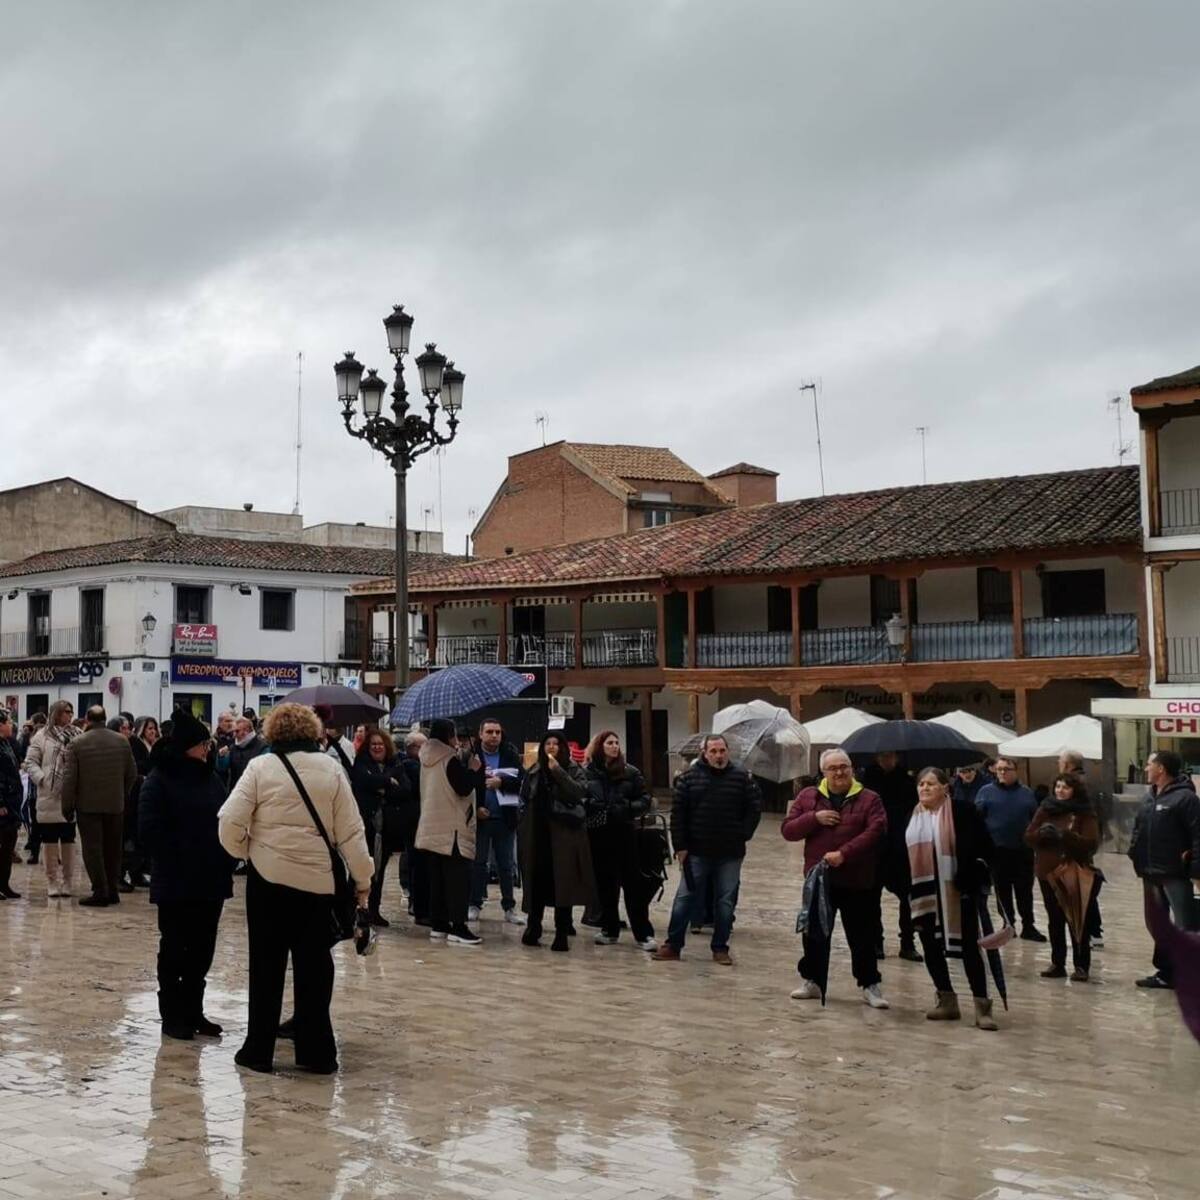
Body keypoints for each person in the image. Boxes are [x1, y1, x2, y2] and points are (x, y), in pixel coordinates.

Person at [218, 703, 372, 1074]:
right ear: (312, 732)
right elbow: (352, 832)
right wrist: (363, 881)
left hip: (268, 883)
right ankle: (317, 1053)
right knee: (315, 967)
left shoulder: (260, 767)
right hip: (317, 885)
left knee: (266, 967)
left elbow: (228, 823)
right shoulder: (332, 770)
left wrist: (249, 853)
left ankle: (258, 1050)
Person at [139, 708, 235, 1040]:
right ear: (186, 747)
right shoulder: (159, 779)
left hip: (211, 879)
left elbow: (227, 818)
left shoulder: (211, 778)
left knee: (202, 949)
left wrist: (226, 856)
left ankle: (194, 1010)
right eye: (202, 745)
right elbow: (149, 829)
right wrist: (182, 851)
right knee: (175, 947)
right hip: (177, 879)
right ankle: (173, 1014)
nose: (208, 750)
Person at [782, 747, 889, 1006]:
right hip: (819, 880)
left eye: (844, 766)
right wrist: (814, 818)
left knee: (862, 934)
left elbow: (876, 831)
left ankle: (869, 984)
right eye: (833, 768)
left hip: (857, 878)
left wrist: (844, 853)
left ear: (852, 768)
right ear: (823, 771)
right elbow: (788, 830)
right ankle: (813, 981)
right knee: (815, 932)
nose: (839, 772)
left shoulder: (869, 798)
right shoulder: (809, 796)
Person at [654, 733, 761, 966]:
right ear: (705, 753)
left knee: (725, 901)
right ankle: (673, 945)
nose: (718, 755)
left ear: (727, 752)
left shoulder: (742, 778)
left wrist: (742, 834)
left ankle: (720, 947)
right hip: (696, 851)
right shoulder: (688, 779)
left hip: (730, 852)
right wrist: (680, 847)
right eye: (713, 751)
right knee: (684, 898)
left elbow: (753, 810)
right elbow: (678, 816)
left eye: (722, 751)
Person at [906, 767, 998, 1030]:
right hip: (923, 894)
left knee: (970, 946)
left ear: (945, 787)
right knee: (930, 946)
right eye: (921, 784)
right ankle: (946, 1000)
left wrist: (972, 876)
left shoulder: (964, 812)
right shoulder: (911, 817)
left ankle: (982, 1007)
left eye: (931, 784)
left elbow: (986, 849)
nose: (924, 788)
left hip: (959, 892)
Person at [1128, 749, 1200, 990]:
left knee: (1184, 924)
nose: (1146, 768)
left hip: (1174, 873)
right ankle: (1166, 972)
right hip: (1150, 872)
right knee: (1156, 924)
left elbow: (1198, 836)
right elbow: (1138, 829)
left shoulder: (1186, 799)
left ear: (1161, 769)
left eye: (1150, 764)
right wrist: (1133, 853)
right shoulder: (1149, 797)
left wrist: (1196, 870)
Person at [518, 733, 596, 952]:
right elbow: (524, 797)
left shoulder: (572, 768)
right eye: (548, 744)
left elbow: (578, 792)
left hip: (564, 837)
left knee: (563, 883)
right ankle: (534, 927)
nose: (552, 748)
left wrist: (558, 772)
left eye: (556, 744)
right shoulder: (534, 771)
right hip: (538, 836)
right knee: (537, 883)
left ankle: (562, 932)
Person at [584, 730, 656, 950]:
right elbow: (580, 795)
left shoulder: (630, 772)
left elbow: (645, 798)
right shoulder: (589, 772)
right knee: (606, 884)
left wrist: (626, 809)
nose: (614, 746)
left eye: (616, 743)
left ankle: (643, 933)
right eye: (609, 743)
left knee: (633, 884)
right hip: (599, 833)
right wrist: (590, 804)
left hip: (624, 832)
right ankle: (609, 928)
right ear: (600, 746)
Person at [1026, 772, 1100, 982]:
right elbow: (1028, 835)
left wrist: (1065, 836)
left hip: (1072, 872)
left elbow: (1091, 843)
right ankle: (1057, 963)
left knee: (1077, 920)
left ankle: (1081, 965)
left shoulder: (1084, 812)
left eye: (1065, 787)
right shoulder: (1045, 808)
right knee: (1054, 919)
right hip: (1047, 872)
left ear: (1074, 790)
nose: (1060, 791)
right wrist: (1042, 834)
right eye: (1057, 786)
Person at [61, 705, 138, 907]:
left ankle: (100, 890)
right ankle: (113, 889)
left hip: (88, 806)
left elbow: (70, 779)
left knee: (93, 850)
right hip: (115, 805)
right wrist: (122, 794)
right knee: (113, 849)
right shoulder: (122, 741)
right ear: (105, 718)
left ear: (87, 719)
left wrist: (67, 806)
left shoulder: (76, 744)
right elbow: (132, 774)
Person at [416, 718, 483, 946]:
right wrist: (474, 770)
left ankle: (439, 925)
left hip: (432, 825)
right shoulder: (448, 759)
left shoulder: (427, 758)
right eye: (454, 735)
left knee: (438, 880)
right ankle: (458, 926)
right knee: (457, 880)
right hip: (452, 829)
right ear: (448, 735)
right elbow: (463, 788)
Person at [974, 757, 1045, 941]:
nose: (1003, 773)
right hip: (998, 851)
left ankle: (1028, 925)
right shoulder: (985, 792)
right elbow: (977, 820)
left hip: (1023, 851)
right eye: (999, 769)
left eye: (1007, 769)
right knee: (1002, 889)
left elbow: (1035, 819)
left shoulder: (1027, 793)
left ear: (1016, 771)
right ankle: (1008, 924)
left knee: (1024, 890)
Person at [861, 751, 922, 962]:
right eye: (882, 757)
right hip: (875, 847)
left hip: (902, 847)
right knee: (871, 897)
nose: (886, 760)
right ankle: (876, 942)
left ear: (897, 758)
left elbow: (916, 812)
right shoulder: (866, 782)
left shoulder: (907, 782)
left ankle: (907, 942)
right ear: (876, 758)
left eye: (891, 757)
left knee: (907, 897)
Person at [351, 728, 414, 926]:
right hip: (366, 826)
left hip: (386, 829)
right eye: (373, 744)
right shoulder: (361, 764)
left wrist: (381, 790)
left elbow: (405, 790)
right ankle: (358, 909)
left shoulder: (395, 764)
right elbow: (363, 782)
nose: (377, 747)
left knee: (379, 871)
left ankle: (374, 910)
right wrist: (387, 781)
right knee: (363, 870)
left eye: (380, 744)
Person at [468, 717, 525, 924]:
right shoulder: (472, 756)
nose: (494, 736)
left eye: (497, 732)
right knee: (478, 863)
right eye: (490, 732)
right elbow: (463, 785)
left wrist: (501, 781)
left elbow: (521, 781)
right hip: (481, 818)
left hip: (505, 818)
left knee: (506, 865)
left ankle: (509, 907)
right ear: (480, 734)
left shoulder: (510, 754)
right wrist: (475, 809)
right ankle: (474, 903)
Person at [402, 731, 430, 924]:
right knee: (417, 863)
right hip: (415, 820)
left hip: (420, 819)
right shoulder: (411, 766)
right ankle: (417, 903)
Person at [0, 709, 22, 899]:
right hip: (3, 803)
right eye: (7, 722)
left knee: (8, 846)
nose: (11, 725)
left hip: (12, 801)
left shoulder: (6, 744)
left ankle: (3, 883)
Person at [227, 715, 266, 791]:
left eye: (237, 731)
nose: (234, 735)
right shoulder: (233, 748)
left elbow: (265, 773)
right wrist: (222, 757)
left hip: (256, 791)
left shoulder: (263, 748)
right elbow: (222, 769)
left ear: (246, 731)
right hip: (237, 791)